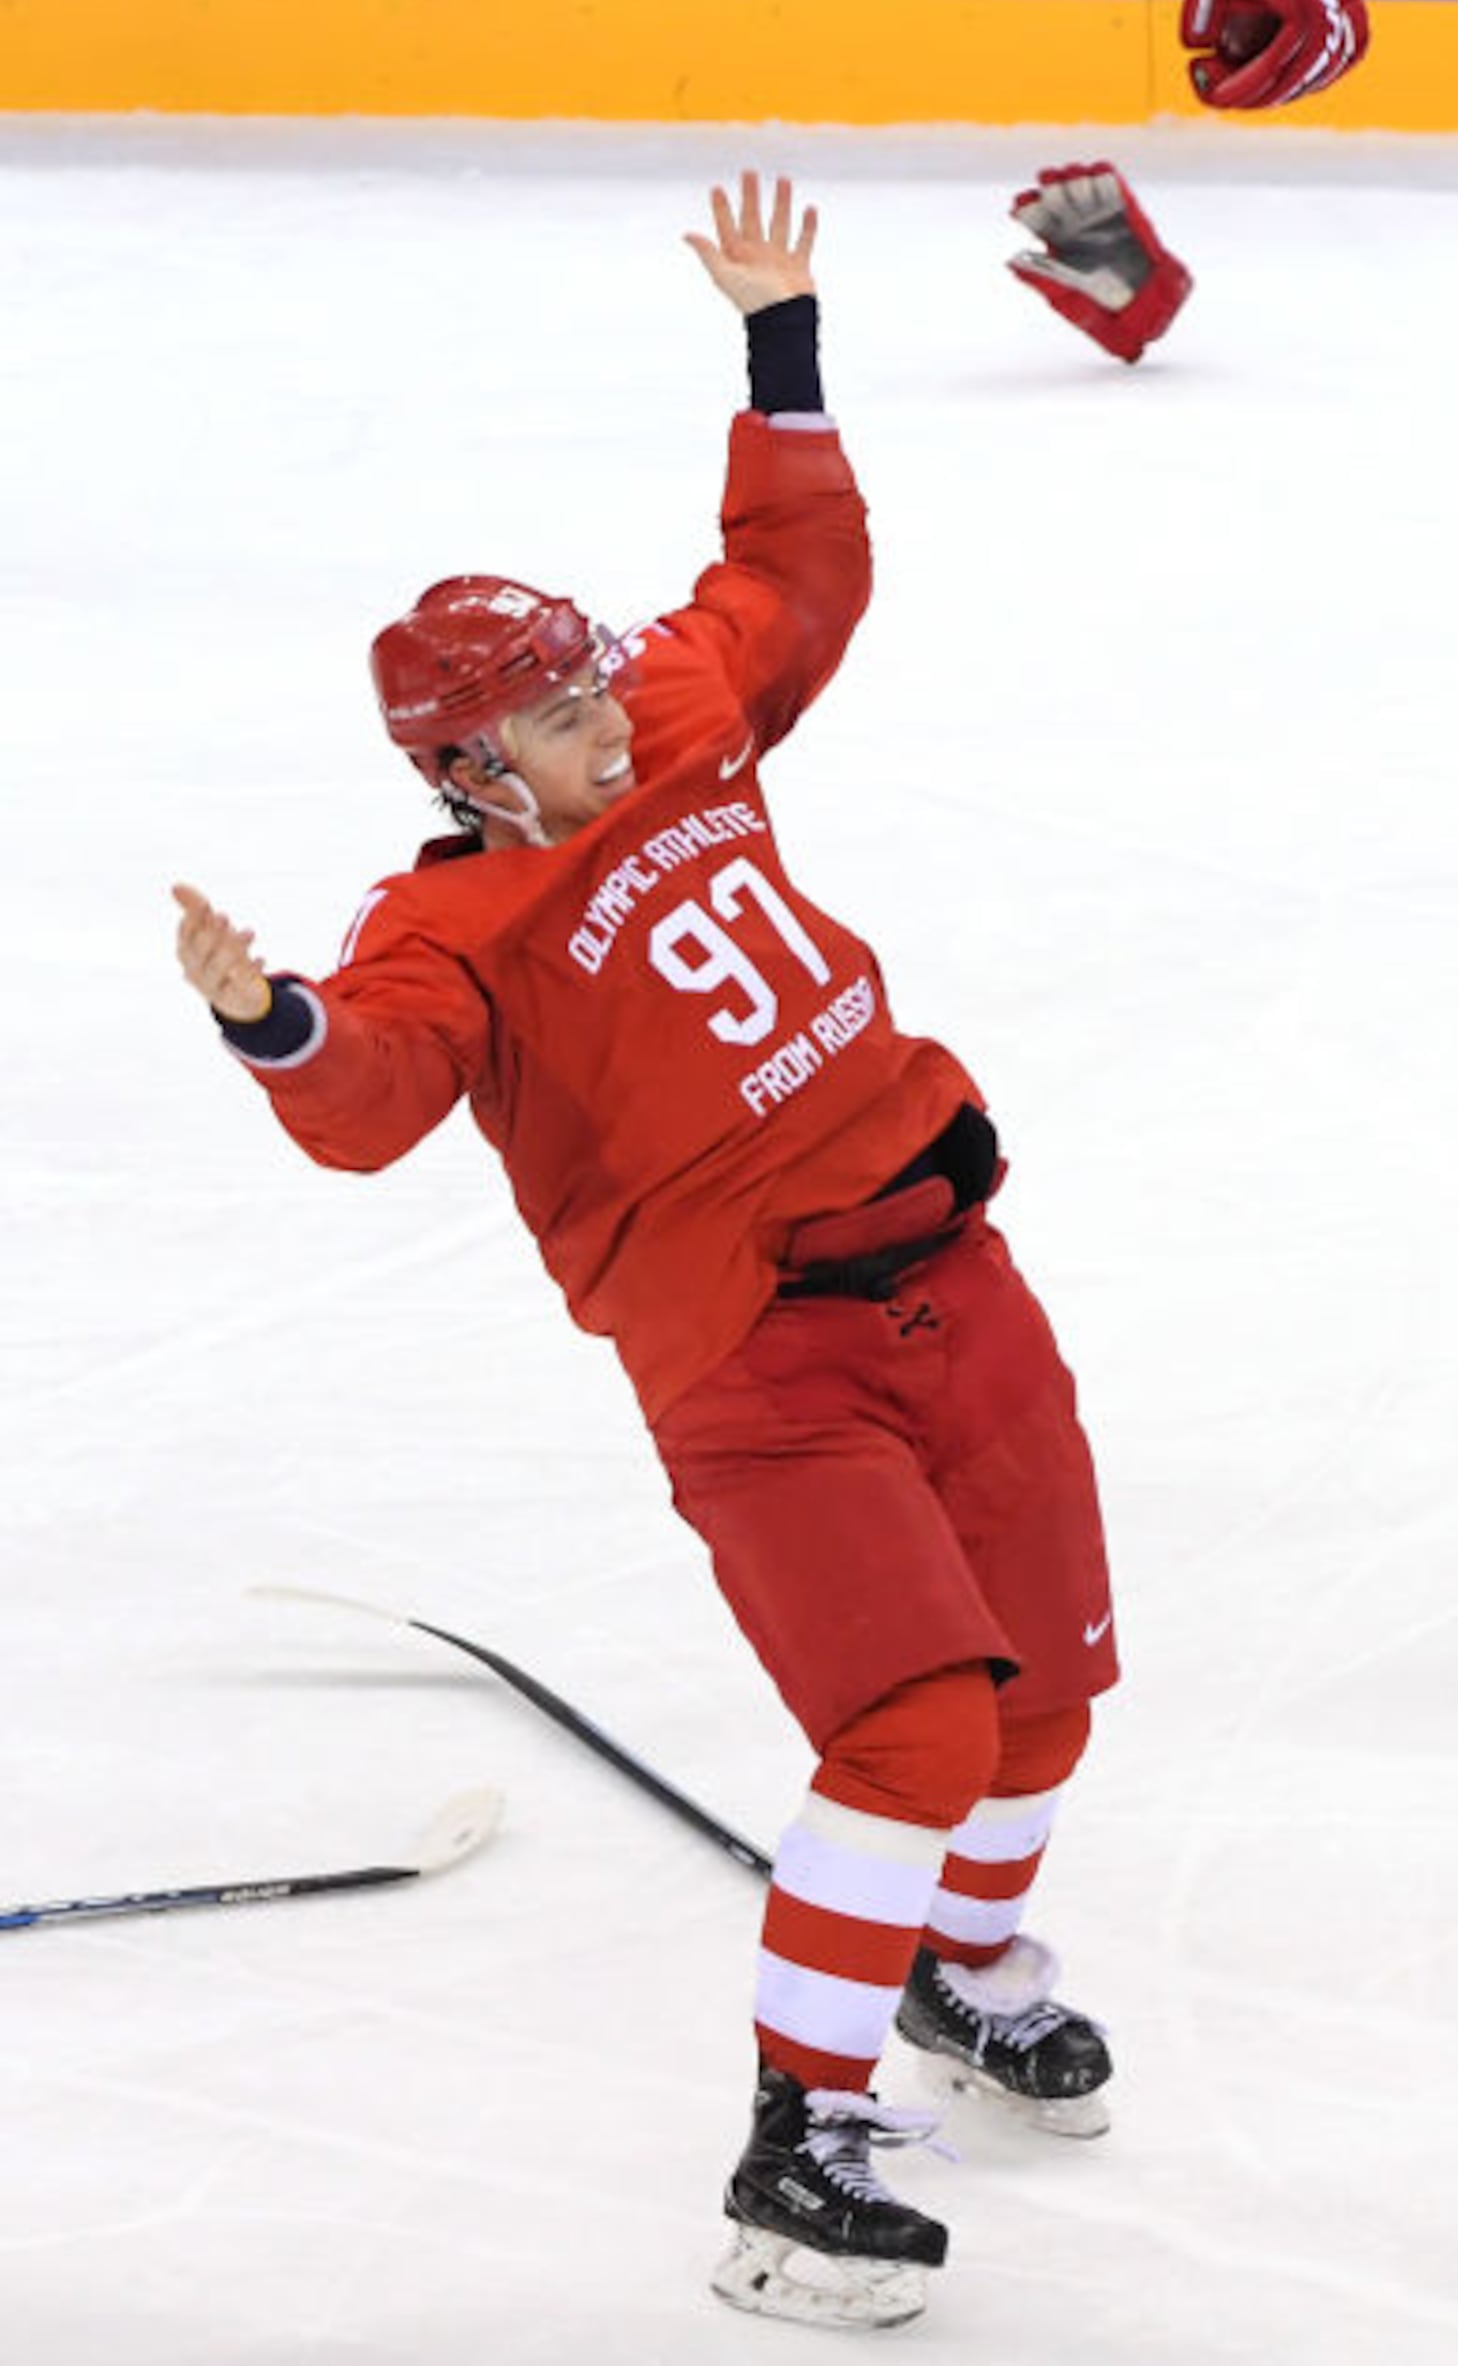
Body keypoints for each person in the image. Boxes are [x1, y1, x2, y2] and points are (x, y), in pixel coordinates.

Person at [170, 173, 1126, 2326]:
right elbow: (375, 1089)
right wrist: (274, 1025)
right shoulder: (447, 929)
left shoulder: (675, 719)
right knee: (912, 1732)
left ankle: (964, 1974)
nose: (608, 719)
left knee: (1046, 1703)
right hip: (765, 1373)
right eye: (557, 715)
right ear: (466, 769)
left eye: (596, 682)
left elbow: (789, 578)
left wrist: (778, 350)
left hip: (954, 1279)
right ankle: (800, 2151)